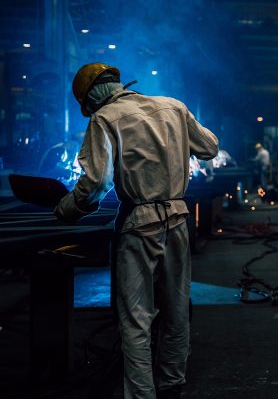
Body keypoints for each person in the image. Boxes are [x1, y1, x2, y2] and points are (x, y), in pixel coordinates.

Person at [54, 62, 218, 399]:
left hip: (139, 224)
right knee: (175, 308)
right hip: (177, 218)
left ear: (92, 98)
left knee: (136, 318)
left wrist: (68, 208)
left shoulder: (104, 118)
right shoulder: (173, 106)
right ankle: (172, 383)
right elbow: (210, 148)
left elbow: (97, 183)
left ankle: (142, 395)